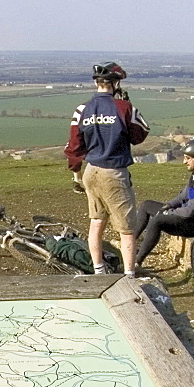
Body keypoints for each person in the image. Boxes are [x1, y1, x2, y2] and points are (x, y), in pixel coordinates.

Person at [65, 62, 149, 277]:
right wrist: (126, 106)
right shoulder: (123, 108)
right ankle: (130, 275)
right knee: (127, 229)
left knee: (96, 221)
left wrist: (76, 175)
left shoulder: (81, 110)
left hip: (90, 171)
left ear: (96, 83)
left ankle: (99, 271)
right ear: (116, 83)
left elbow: (74, 147)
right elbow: (141, 134)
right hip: (114, 172)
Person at [133, 139, 194, 267]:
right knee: (146, 205)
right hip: (187, 216)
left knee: (158, 221)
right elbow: (182, 197)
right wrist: (168, 205)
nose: (184, 161)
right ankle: (129, 245)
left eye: (188, 158)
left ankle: (136, 263)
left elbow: (191, 210)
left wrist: (169, 213)